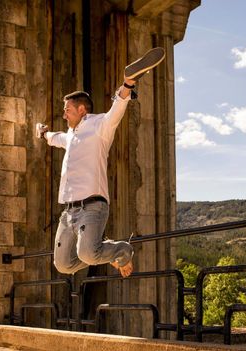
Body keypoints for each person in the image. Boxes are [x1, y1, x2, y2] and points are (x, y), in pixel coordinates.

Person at [37, 47, 165, 278]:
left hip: (92, 207)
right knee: (63, 265)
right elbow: (53, 138)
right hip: (68, 212)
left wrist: (127, 85)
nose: (64, 115)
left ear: (82, 110)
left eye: (67, 110)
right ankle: (100, 249)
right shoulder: (70, 137)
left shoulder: (100, 127)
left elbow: (117, 109)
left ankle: (121, 250)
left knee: (87, 255)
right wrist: (43, 133)